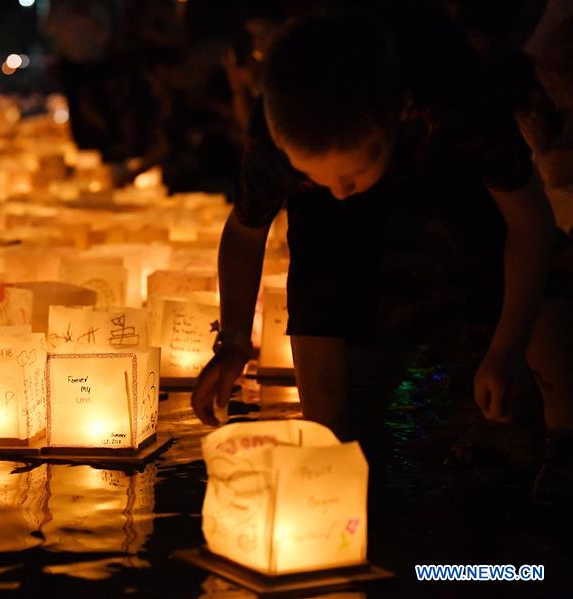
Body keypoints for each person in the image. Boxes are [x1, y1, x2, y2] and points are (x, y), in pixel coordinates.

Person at [190, 8, 573, 505]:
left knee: (488, 244)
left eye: (351, 176)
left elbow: (530, 223)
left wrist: (505, 347)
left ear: (390, 122)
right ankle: (332, 448)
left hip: (445, 158)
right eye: (318, 176)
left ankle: (564, 435)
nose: (341, 192)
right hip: (347, 153)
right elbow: (245, 232)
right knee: (320, 260)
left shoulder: (457, 101)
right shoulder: (278, 134)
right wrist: (236, 340)